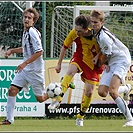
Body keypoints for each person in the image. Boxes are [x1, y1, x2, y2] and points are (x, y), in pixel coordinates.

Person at [48, 14, 104, 126]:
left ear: (86, 29)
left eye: (79, 31)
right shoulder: (74, 33)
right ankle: (58, 99)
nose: (76, 32)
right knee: (70, 71)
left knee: (89, 91)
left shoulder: (98, 35)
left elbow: (106, 48)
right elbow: (64, 46)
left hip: (94, 64)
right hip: (80, 57)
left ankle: (80, 116)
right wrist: (58, 64)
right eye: (76, 29)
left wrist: (98, 57)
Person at [1, 7, 49, 125]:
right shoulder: (25, 31)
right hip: (25, 70)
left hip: (35, 71)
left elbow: (39, 52)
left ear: (33, 21)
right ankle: (9, 119)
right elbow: (26, 48)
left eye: (29, 18)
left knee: (40, 99)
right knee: (12, 90)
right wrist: (12, 50)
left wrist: (25, 63)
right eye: (25, 17)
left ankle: (56, 91)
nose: (26, 19)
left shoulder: (32, 32)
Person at [90, 10, 133, 127]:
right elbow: (104, 51)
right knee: (102, 92)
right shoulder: (95, 32)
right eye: (92, 22)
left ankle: (130, 119)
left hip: (121, 60)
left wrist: (101, 63)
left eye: (96, 22)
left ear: (102, 22)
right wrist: (98, 56)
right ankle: (125, 89)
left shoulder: (103, 36)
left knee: (113, 92)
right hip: (112, 60)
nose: (93, 24)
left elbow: (107, 54)